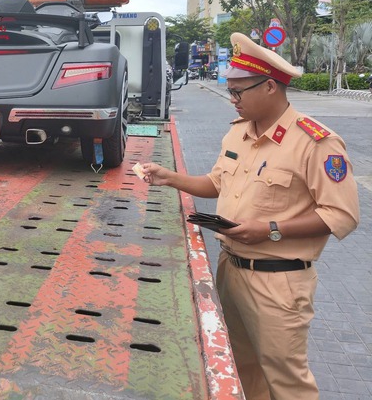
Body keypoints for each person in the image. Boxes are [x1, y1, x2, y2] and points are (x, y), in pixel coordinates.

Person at [141, 32, 359, 400]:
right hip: (230, 269)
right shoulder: (239, 134)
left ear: (270, 87)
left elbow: (342, 214)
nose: (232, 99)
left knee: (287, 382)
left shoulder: (315, 142)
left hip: (278, 283)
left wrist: (271, 229)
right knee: (240, 370)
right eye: (230, 90)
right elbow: (217, 182)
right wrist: (171, 178)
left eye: (239, 91)